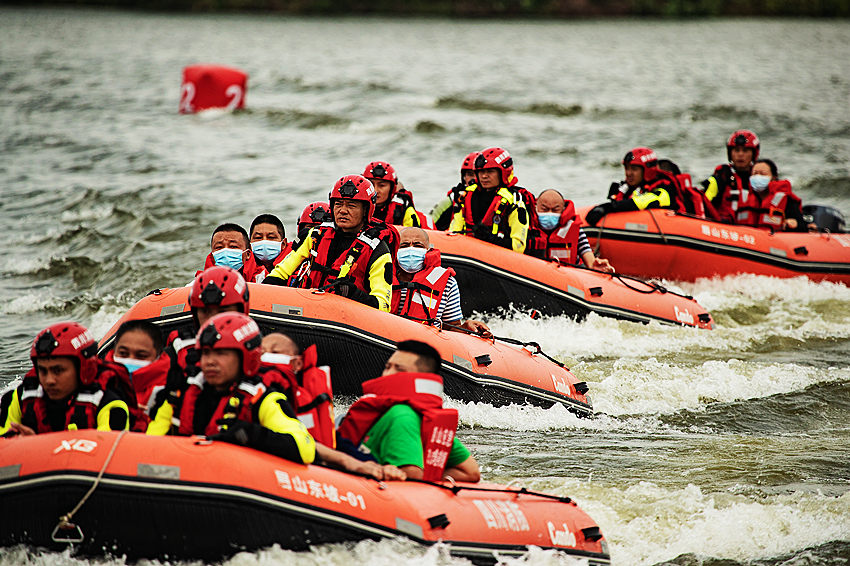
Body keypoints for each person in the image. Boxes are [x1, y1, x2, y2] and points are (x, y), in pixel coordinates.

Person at [147, 311, 316, 464]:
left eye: (221, 353)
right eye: (206, 353)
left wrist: (250, 434)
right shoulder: (181, 394)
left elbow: (305, 448)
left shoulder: (263, 399)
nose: (210, 361)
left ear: (245, 357)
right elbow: (150, 442)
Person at [259, 332, 406, 481]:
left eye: (275, 352)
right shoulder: (255, 391)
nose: (266, 356)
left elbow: (333, 441)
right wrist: (345, 461)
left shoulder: (303, 396)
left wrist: (371, 464)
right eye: (262, 351)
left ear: (297, 363)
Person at [337, 340, 481, 482]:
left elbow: (412, 474)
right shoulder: (425, 417)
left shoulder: (402, 415)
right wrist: (431, 477)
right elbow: (470, 471)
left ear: (420, 378)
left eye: (399, 369)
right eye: (387, 367)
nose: (388, 373)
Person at [264, 175, 394, 312]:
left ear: (366, 211)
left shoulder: (378, 250)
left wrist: (354, 293)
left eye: (351, 205)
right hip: (308, 307)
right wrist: (264, 291)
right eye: (338, 204)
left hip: (347, 317)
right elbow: (283, 271)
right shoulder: (316, 235)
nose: (343, 210)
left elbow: (383, 305)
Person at [147, 265, 251, 433]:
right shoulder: (178, 352)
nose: (214, 319)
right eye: (206, 311)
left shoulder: (259, 352)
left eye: (223, 311)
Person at [1, 322, 144, 436]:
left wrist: (35, 447)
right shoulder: (18, 398)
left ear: (83, 369)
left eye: (58, 371)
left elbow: (105, 458)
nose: (49, 380)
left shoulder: (110, 406)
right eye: (43, 371)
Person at [393, 227, 492, 335]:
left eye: (418, 245)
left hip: (424, 344)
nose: (411, 250)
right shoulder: (382, 277)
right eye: (404, 245)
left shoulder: (448, 283)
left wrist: (466, 327)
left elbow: (451, 328)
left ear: (428, 250)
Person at [448, 147, 530, 253]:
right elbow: (454, 229)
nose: (484, 176)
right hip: (466, 253)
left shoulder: (513, 202)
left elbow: (518, 246)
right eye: (481, 172)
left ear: (503, 173)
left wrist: (490, 239)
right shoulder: (465, 196)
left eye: (490, 172)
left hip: (497, 258)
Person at [585, 147, 683, 226]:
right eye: (627, 168)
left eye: (634, 169)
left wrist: (606, 208)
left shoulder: (664, 190)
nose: (628, 173)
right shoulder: (630, 188)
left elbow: (640, 202)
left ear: (647, 171)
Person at [536, 189, 614, 273]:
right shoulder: (528, 227)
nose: (549, 214)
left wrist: (595, 265)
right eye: (544, 209)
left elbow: (587, 253)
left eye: (555, 210)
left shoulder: (574, 230)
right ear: (536, 207)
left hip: (566, 277)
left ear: (563, 210)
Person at [105, 319, 170, 412]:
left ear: (158, 356)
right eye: (123, 353)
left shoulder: (172, 391)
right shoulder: (97, 386)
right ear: (114, 351)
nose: (130, 359)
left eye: (141, 356)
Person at [699, 129, 760, 223]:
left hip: (756, 232)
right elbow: (703, 205)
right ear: (730, 154)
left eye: (745, 150)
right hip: (723, 230)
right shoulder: (720, 178)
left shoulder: (760, 179)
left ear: (753, 154)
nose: (740, 154)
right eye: (736, 150)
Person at [735, 158, 812, 231]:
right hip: (745, 239)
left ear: (774, 177)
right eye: (754, 174)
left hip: (774, 241)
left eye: (763, 174)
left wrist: (794, 224)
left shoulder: (786, 200)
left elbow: (802, 227)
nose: (758, 177)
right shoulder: (743, 198)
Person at [201, 222, 267, 283]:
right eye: (219, 247)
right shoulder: (200, 283)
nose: (225, 251)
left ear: (247, 254)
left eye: (233, 246)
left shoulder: (263, 279)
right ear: (212, 255)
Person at [362, 161, 421, 227]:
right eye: (371, 184)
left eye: (381, 185)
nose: (375, 190)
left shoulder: (403, 209)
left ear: (392, 188)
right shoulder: (356, 206)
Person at [431, 151, 480, 231]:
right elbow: (428, 225)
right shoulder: (450, 200)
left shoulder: (496, 201)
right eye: (470, 174)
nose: (474, 179)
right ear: (464, 177)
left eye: (478, 174)